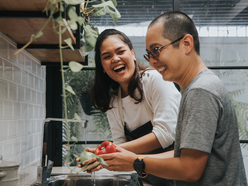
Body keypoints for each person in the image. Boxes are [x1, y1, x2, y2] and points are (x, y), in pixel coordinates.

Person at [93, 11, 247, 186]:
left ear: (186, 44)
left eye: (156, 50)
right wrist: (124, 158)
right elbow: (181, 156)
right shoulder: (196, 88)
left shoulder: (200, 91)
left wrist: (136, 162)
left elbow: (190, 169)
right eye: (149, 54)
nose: (152, 61)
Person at [78, 28, 181, 186]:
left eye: (120, 51)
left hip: (182, 178)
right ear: (102, 67)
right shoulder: (114, 102)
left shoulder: (155, 79)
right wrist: (100, 160)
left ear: (132, 54)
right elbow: (121, 150)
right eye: (107, 56)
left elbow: (166, 134)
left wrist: (108, 151)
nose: (115, 58)